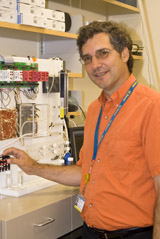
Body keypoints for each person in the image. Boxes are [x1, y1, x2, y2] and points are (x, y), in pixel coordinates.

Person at [3, 21, 160, 239]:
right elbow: (83, 172)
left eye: (103, 53)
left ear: (125, 54)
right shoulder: (96, 109)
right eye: (87, 58)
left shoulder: (152, 106)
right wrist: (33, 167)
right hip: (91, 232)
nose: (95, 64)